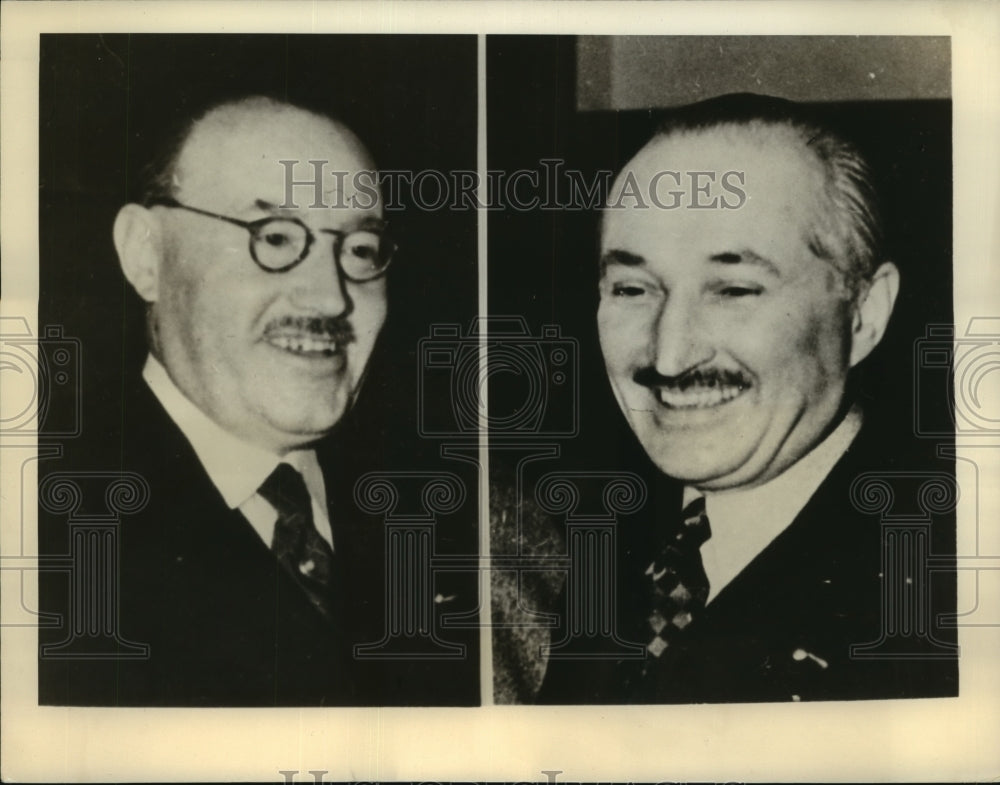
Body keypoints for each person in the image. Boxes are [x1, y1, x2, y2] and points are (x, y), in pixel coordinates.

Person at [38, 95, 475, 706]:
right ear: (146, 255)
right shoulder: (45, 544)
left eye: (360, 251)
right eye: (273, 237)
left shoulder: (472, 523)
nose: (330, 298)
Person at [528, 94, 958, 703]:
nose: (669, 355)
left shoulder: (943, 599)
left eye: (733, 289)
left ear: (863, 313)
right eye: (631, 288)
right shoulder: (594, 547)